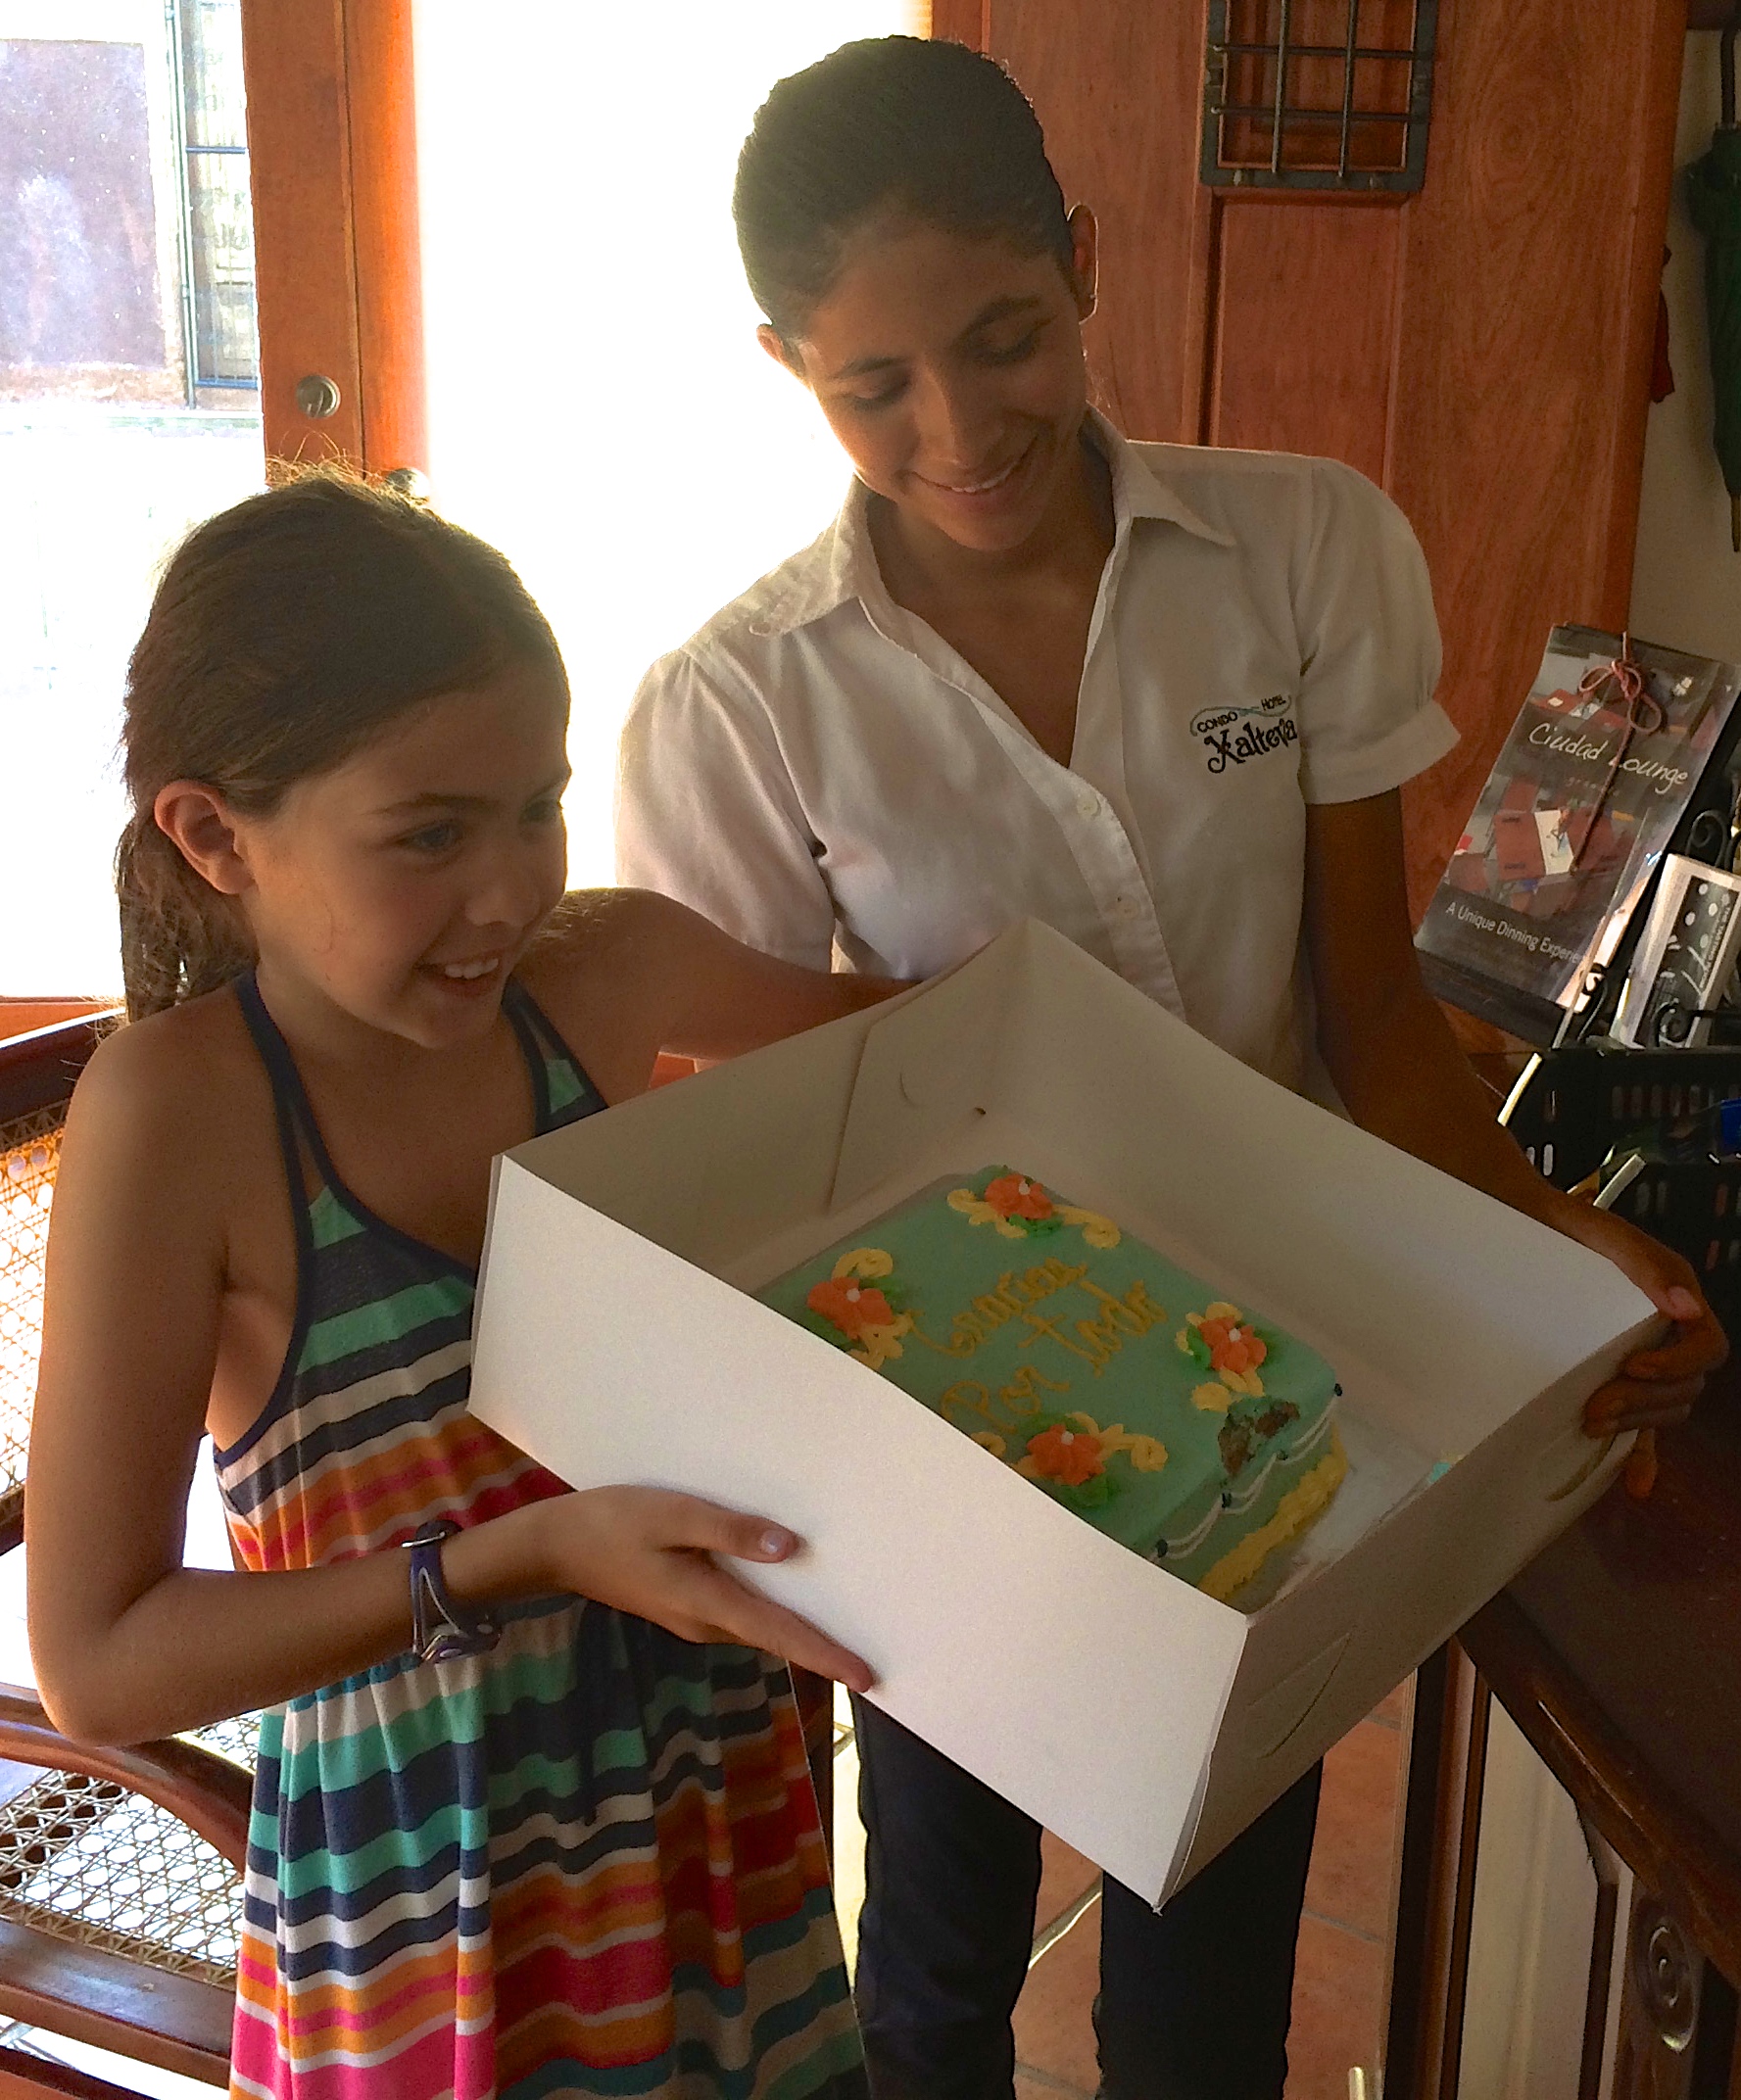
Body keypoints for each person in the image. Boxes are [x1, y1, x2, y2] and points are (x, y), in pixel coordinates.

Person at [614, 35, 1727, 2100]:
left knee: (1205, 1988)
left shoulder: (1305, 552)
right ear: (789, 368)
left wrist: (1571, 1248)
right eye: (876, 387)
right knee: (933, 1954)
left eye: (1004, 336)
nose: (959, 429)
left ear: (1088, 264)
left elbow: (1377, 1037)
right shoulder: (739, 705)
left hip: (1263, 1410)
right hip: (949, 1420)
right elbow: (757, 1140)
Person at [25, 472, 898, 2100]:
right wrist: (526, 1553)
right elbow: (100, 1657)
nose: (507, 892)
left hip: (710, 1806)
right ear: (217, 837)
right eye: (429, 834)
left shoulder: (608, 972)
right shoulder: (182, 1117)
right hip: (431, 1910)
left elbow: (946, 1064)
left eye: (535, 809)